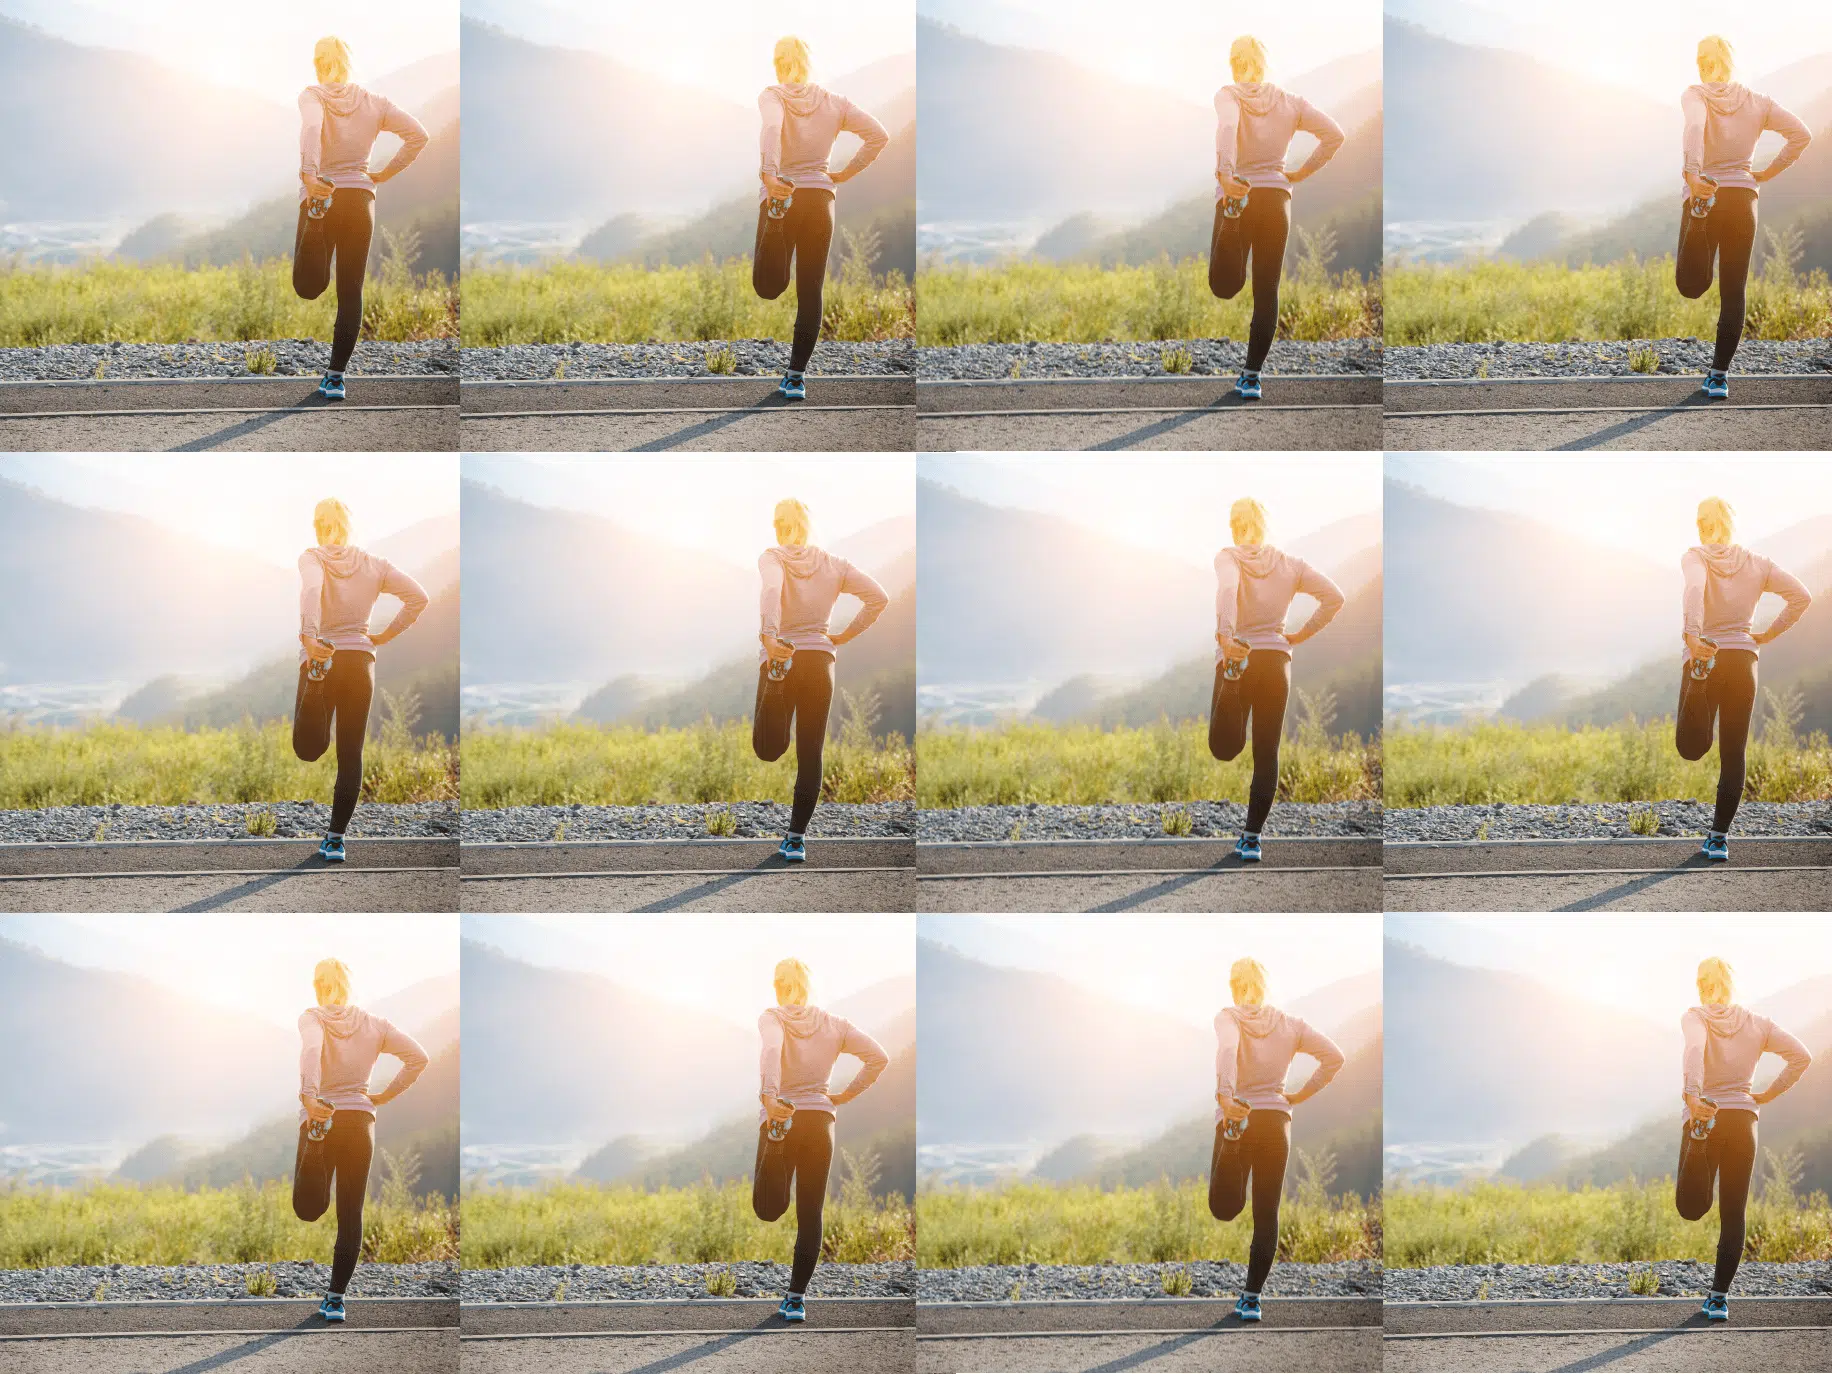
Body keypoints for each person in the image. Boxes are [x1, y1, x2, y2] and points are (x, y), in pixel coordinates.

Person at [754, 35, 890, 401]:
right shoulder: (835, 103)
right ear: (808, 63)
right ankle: (795, 378)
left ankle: (778, 218)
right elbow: (878, 135)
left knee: (768, 285)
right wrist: (845, 173)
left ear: (777, 63)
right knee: (811, 288)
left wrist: (769, 174)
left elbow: (770, 128)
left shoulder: (772, 95)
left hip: (782, 192)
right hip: (820, 199)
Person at [294, 35, 430, 401]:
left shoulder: (312, 95)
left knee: (308, 286)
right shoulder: (375, 103)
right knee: (351, 289)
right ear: (348, 63)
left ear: (317, 63)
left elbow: (310, 127)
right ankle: (335, 378)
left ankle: (318, 219)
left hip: (322, 193)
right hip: (360, 199)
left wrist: (309, 174)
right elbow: (418, 135)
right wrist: (385, 174)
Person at [294, 497, 430, 862]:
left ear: (317, 525)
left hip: (322, 653)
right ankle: (335, 841)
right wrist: (385, 636)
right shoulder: (375, 565)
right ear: (349, 526)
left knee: (308, 749)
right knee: (350, 753)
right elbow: (418, 597)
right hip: (360, 661)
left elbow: (310, 590)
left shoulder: (312, 557)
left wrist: (309, 636)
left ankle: (318, 680)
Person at [754, 957, 889, 1323]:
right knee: (810, 1212)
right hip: (821, 1120)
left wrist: (769, 1096)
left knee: (768, 1208)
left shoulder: (772, 1017)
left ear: (777, 986)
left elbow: (770, 1050)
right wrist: (845, 1096)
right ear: (809, 986)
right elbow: (879, 1057)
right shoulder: (836, 1024)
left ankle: (778, 1140)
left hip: (782, 1113)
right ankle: (795, 1300)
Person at [753, 498, 889, 862]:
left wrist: (769, 635)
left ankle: (778, 680)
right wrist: (845, 636)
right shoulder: (835, 564)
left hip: (782, 654)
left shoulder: (772, 557)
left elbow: (770, 591)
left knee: (767, 749)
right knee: (811, 752)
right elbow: (879, 598)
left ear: (778, 525)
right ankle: (795, 840)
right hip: (821, 662)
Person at [294, 957, 429, 1323]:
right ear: (348, 985)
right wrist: (385, 1096)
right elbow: (419, 1057)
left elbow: (310, 1050)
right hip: (360, 1121)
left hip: (322, 1113)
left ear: (316, 985)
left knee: (308, 1209)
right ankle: (335, 1301)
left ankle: (317, 1140)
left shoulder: (312, 1017)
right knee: (350, 1213)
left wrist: (309, 1096)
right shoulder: (376, 1025)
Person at [1209, 35, 1344, 400]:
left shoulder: (1228, 95)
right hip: (1277, 199)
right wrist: (1300, 174)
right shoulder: (1291, 102)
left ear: (1233, 63)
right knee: (1266, 290)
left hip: (1238, 191)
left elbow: (1226, 128)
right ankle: (1251, 378)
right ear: (1263, 64)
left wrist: (1225, 173)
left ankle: (1233, 217)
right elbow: (1335, 135)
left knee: (1224, 286)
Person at [1676, 956, 1811, 1322]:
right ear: (1730, 984)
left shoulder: (1694, 1017)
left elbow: (1693, 1051)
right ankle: (1718, 1299)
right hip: (1744, 1121)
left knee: (1691, 1208)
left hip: (1706, 1112)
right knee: (1733, 1213)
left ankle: (1700, 1138)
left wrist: (1692, 1095)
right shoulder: (1759, 1024)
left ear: (1700, 983)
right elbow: (1802, 1056)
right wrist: (1768, 1095)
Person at [1210, 497, 1345, 862]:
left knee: (1224, 748)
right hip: (1276, 662)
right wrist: (1300, 636)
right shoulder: (1291, 565)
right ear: (1264, 525)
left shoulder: (1228, 557)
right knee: (1266, 752)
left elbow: (1226, 589)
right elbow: (1335, 597)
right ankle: (1251, 839)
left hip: (1239, 654)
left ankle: (1234, 679)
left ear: (1234, 525)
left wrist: (1226, 637)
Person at [1676, 496, 1811, 860]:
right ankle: (1718, 839)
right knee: (1733, 753)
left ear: (1703, 523)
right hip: (1744, 661)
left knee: (1691, 748)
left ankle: (1700, 678)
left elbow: (1693, 590)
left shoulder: (1695, 556)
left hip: (1706, 653)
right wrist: (1768, 635)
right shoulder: (1758, 563)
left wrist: (1692, 634)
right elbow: (1801, 596)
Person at [1676, 35, 1811, 399]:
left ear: (1703, 62)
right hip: (1744, 199)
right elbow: (1801, 134)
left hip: (1706, 191)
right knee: (1733, 291)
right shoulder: (1759, 102)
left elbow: (1693, 128)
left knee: (1691, 285)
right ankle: (1718, 378)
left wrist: (1692, 174)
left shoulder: (1695, 94)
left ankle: (1700, 216)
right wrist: (1768, 174)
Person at [1211, 956, 1344, 1322]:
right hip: (1277, 1121)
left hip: (1238, 1113)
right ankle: (1251, 1300)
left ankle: (1233, 1138)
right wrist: (1300, 1096)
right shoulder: (1291, 1025)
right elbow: (1335, 1057)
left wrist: (1225, 1096)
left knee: (1224, 1208)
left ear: (1233, 985)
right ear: (1265, 986)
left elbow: (1226, 1050)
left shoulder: (1228, 1017)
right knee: (1266, 1214)